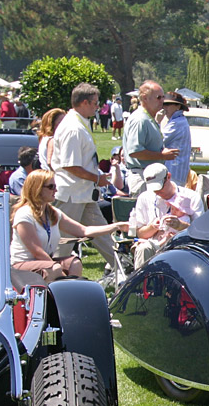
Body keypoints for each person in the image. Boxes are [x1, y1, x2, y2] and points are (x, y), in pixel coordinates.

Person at [10, 170, 126, 282]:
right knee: (54, 269)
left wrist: (117, 226)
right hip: (21, 266)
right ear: (37, 189)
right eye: (51, 187)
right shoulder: (24, 214)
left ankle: (69, 296)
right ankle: (57, 298)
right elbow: (37, 252)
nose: (56, 190)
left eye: (55, 186)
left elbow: (84, 230)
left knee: (74, 263)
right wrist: (64, 278)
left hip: (46, 263)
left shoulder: (52, 212)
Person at [49, 82, 119, 267]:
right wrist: (97, 178)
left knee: (103, 234)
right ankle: (47, 281)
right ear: (84, 102)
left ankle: (125, 271)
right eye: (95, 103)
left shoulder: (80, 123)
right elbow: (70, 165)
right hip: (71, 195)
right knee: (62, 244)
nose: (98, 107)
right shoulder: (73, 128)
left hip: (84, 194)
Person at [130, 163, 204, 268]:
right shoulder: (145, 198)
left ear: (168, 177)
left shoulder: (191, 197)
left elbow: (200, 233)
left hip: (181, 245)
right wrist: (152, 227)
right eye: (153, 189)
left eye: (159, 187)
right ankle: (142, 283)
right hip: (154, 244)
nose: (157, 191)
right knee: (143, 248)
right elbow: (141, 234)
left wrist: (180, 226)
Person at [123, 80, 179, 196]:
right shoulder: (140, 120)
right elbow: (135, 151)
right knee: (142, 213)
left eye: (163, 97)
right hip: (142, 177)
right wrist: (162, 155)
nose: (162, 101)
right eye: (158, 97)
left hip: (151, 177)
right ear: (144, 98)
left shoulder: (148, 119)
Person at [157, 91, 192, 185]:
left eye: (168, 104)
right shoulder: (178, 120)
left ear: (178, 106)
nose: (164, 107)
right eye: (163, 104)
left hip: (173, 173)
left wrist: (156, 122)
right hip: (176, 173)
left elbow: (157, 141)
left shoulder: (177, 123)